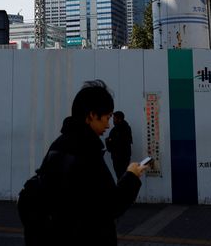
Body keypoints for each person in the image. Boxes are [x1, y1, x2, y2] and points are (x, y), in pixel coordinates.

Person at [32, 80, 147, 245]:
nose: (108, 124)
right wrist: (132, 176)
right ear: (92, 115)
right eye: (107, 117)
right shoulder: (86, 149)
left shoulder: (58, 144)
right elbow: (111, 205)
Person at [105, 111, 133, 179]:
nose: (113, 120)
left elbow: (121, 143)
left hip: (122, 158)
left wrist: (110, 141)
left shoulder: (125, 129)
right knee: (120, 177)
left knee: (122, 177)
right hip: (117, 158)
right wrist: (108, 141)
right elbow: (110, 145)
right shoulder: (115, 130)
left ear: (119, 119)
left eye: (114, 118)